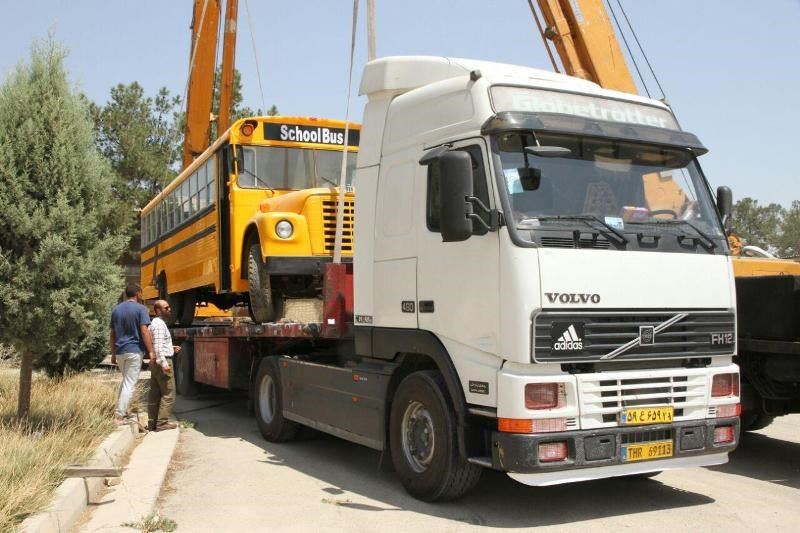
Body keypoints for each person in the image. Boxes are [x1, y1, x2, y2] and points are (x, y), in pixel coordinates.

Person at [110, 284, 154, 424]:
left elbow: (112, 334)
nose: (142, 296)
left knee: (126, 382)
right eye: (141, 293)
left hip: (120, 352)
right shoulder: (141, 309)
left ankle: (123, 410)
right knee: (129, 383)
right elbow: (144, 331)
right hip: (134, 351)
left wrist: (113, 353)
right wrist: (151, 351)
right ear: (137, 294)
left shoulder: (116, 310)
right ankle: (119, 416)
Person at [147, 300, 180, 431]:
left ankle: (152, 422)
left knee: (155, 393)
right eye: (166, 308)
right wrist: (164, 364)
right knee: (169, 393)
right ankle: (162, 423)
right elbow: (159, 347)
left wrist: (170, 348)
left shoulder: (154, 324)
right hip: (162, 361)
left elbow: (156, 344)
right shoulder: (160, 325)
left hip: (156, 361)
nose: (170, 309)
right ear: (158, 311)